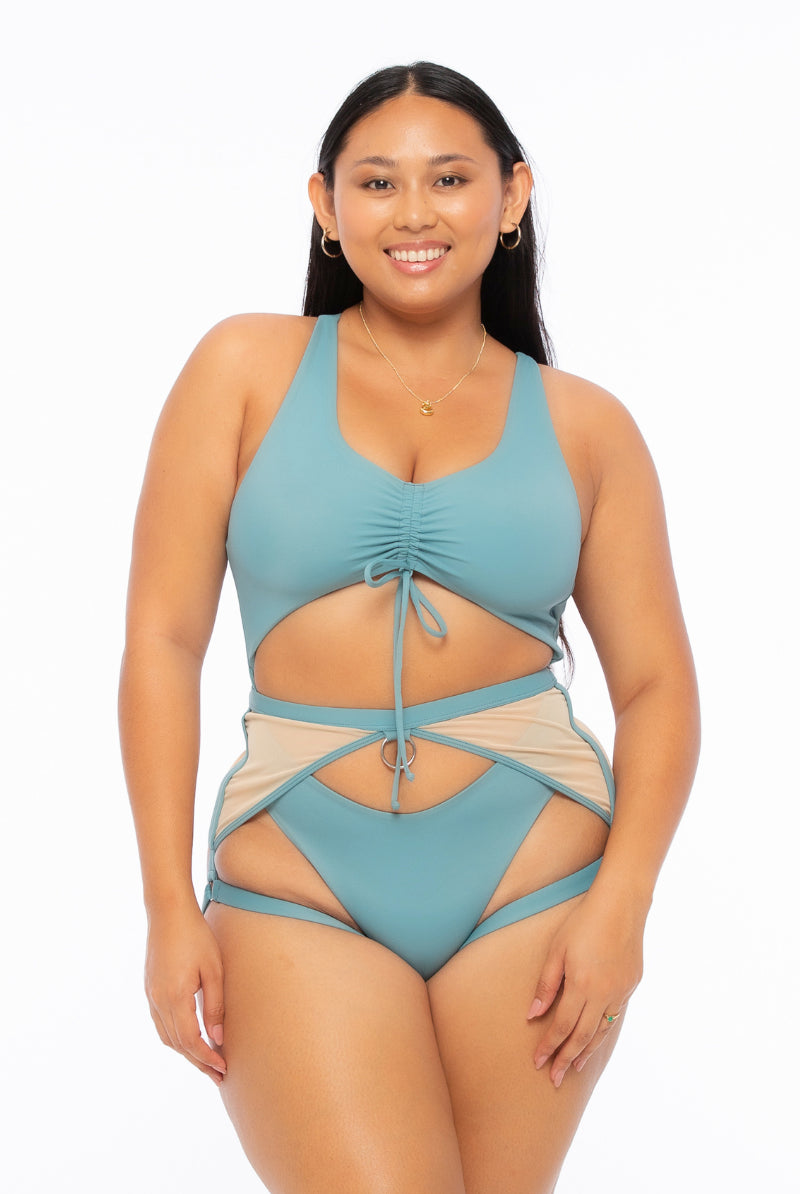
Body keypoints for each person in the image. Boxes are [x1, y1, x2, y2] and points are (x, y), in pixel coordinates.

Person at [119, 61, 700, 1194]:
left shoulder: (588, 427)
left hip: (533, 878)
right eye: (378, 182)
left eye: (450, 179)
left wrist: (622, 908)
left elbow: (658, 689)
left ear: (511, 195)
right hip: (297, 874)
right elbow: (161, 642)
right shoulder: (243, 368)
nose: (414, 213)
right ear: (326, 206)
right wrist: (164, 907)